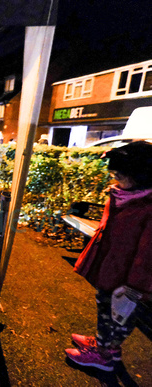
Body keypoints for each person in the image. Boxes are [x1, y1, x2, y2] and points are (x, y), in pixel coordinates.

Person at [65, 141, 152, 372]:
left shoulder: (146, 206)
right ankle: (102, 343)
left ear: (141, 176)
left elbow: (148, 255)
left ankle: (105, 356)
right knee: (104, 308)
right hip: (112, 268)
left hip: (129, 280)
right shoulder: (125, 195)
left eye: (120, 175)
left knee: (120, 318)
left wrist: (136, 288)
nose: (115, 180)